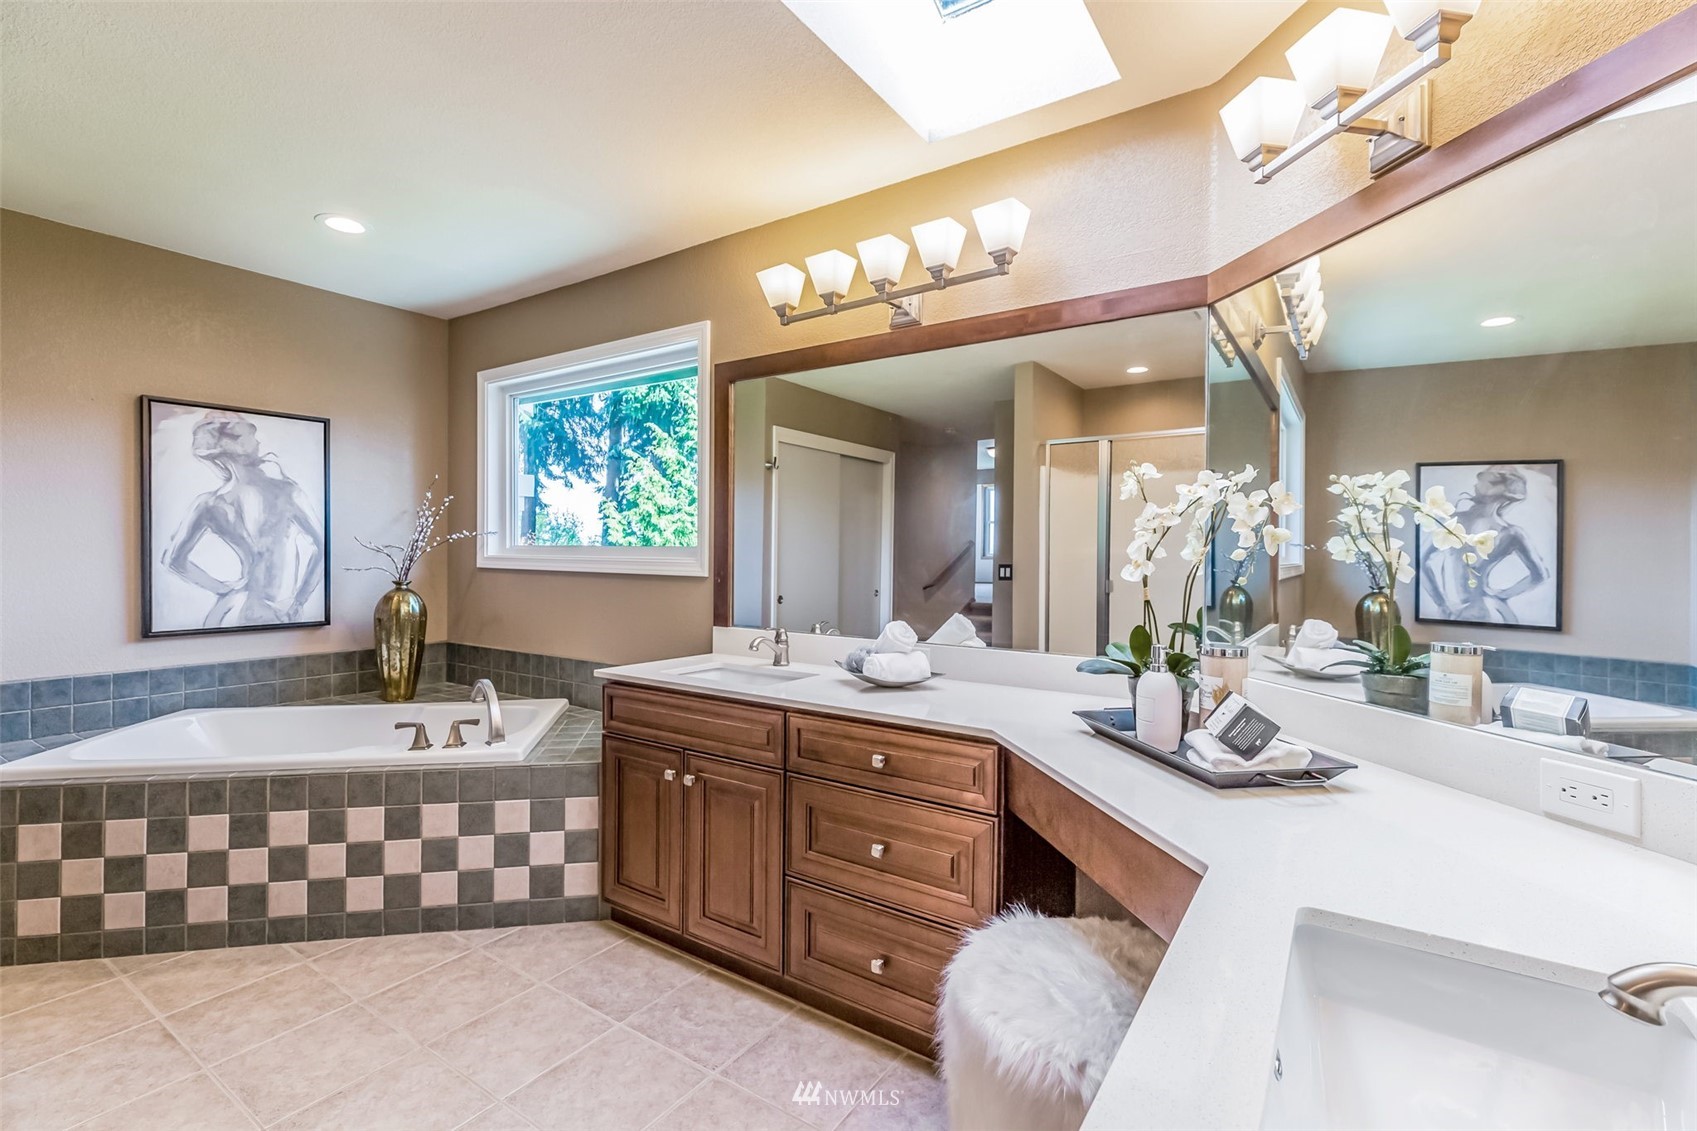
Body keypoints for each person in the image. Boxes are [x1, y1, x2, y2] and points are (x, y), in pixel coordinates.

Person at [163, 411, 326, 627]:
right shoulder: (287, 493)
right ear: (235, 446)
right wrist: (298, 601)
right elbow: (324, 548)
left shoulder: (209, 503)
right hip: (274, 608)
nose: (257, 440)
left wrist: (223, 589)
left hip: (234, 608)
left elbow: (174, 559)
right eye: (249, 435)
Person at [1421, 465, 1550, 624]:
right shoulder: (1453, 521)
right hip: (1476, 608)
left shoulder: (1511, 533)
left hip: (1481, 609)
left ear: (1500, 490)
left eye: (1485, 481)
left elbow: (1540, 575)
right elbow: (1420, 562)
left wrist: (1502, 595)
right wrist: (1442, 603)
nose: (1476, 484)